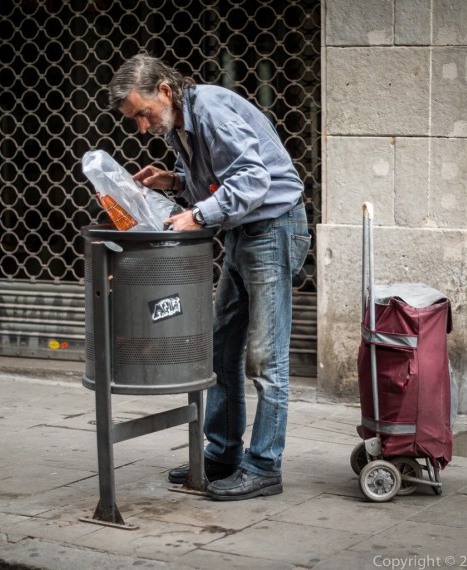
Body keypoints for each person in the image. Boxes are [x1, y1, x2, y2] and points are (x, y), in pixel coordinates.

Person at [107, 54, 310, 501]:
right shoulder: (183, 122)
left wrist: (196, 215)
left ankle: (264, 466)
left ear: (164, 90)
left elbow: (253, 179)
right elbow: (218, 180)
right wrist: (174, 183)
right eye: (134, 120)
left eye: (143, 114)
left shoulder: (212, 109)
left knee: (266, 358)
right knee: (221, 346)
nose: (142, 127)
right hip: (243, 232)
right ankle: (222, 453)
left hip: (273, 228)